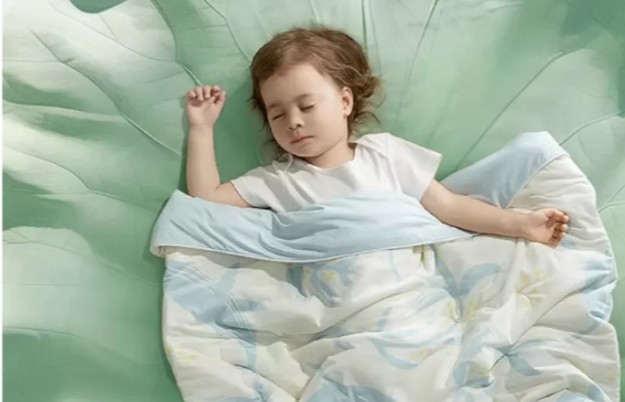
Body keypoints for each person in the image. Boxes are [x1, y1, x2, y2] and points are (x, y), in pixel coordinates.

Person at [184, 26, 568, 245]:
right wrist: (202, 128)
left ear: (345, 101)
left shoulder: (385, 154)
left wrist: (521, 225)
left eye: (307, 106)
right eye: (278, 114)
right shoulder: (280, 180)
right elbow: (206, 200)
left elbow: (449, 207)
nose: (294, 122)